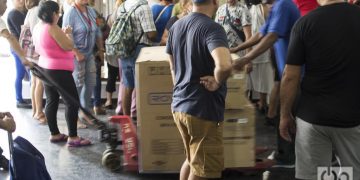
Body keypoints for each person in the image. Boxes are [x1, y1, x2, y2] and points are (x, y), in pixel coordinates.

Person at [280, 0, 360, 179]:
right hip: (353, 117)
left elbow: (290, 76)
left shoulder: (305, 23)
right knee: (354, 173)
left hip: (313, 119)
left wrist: (285, 115)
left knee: (314, 175)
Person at [166, 0, 232, 179]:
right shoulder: (212, 28)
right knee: (205, 171)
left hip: (179, 106)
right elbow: (225, 65)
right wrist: (217, 81)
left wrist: (182, 89)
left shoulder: (176, 26)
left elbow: (172, 67)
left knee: (192, 159)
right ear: (215, 1)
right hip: (202, 110)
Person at [231, 0, 300, 167]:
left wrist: (246, 58)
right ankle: (289, 155)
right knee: (284, 113)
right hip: (286, 70)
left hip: (295, 73)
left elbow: (271, 36)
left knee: (287, 114)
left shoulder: (283, 4)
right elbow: (262, 34)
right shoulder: (278, 6)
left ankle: (287, 158)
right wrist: (237, 50)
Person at [33, 1, 91, 147]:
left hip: (45, 68)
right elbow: (69, 46)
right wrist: (69, 34)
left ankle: (55, 134)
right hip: (58, 71)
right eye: (58, 12)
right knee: (72, 102)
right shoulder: (52, 27)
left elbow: (47, 45)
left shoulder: (38, 27)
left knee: (52, 100)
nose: (59, 15)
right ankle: (73, 137)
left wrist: (62, 35)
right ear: (53, 13)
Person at [62, 0, 105, 123]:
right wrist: (76, 52)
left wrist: (101, 49)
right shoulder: (70, 13)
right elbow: (65, 36)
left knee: (91, 82)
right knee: (77, 85)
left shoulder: (91, 11)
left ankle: (84, 111)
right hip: (76, 55)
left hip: (89, 54)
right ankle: (73, 116)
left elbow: (97, 32)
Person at [118, 0, 157, 117]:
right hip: (139, 49)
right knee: (142, 85)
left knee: (127, 85)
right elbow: (150, 33)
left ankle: (126, 119)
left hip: (124, 48)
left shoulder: (122, 6)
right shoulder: (143, 6)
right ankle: (144, 120)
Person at [23, 0, 46, 124]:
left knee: (34, 82)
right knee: (40, 82)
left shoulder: (29, 11)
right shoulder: (38, 11)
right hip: (38, 51)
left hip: (30, 52)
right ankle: (39, 112)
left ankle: (34, 110)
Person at [7, 0, 31, 109]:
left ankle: (23, 99)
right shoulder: (13, 14)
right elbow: (22, 31)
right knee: (21, 74)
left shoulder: (26, 12)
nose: (21, 1)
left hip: (24, 47)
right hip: (17, 48)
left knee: (25, 74)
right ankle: (19, 99)